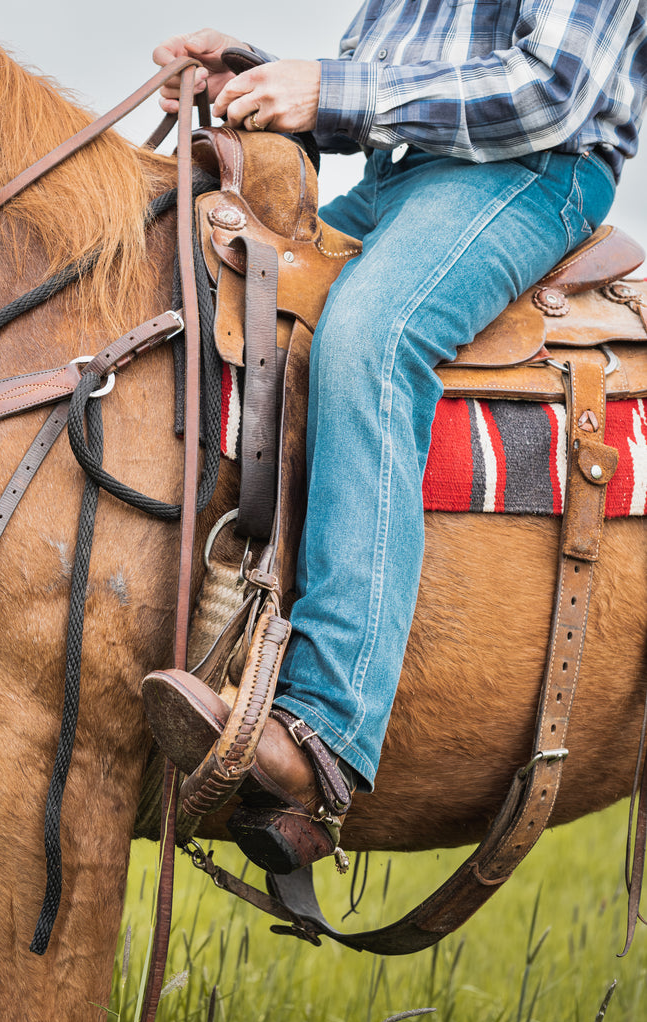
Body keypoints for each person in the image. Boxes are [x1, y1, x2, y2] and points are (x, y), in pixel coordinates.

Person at [143, 2, 647, 874]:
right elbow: (409, 75)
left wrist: (327, 91)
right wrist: (264, 78)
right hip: (398, 177)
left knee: (370, 340)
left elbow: (552, 92)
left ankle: (324, 733)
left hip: (526, 174)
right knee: (193, 276)